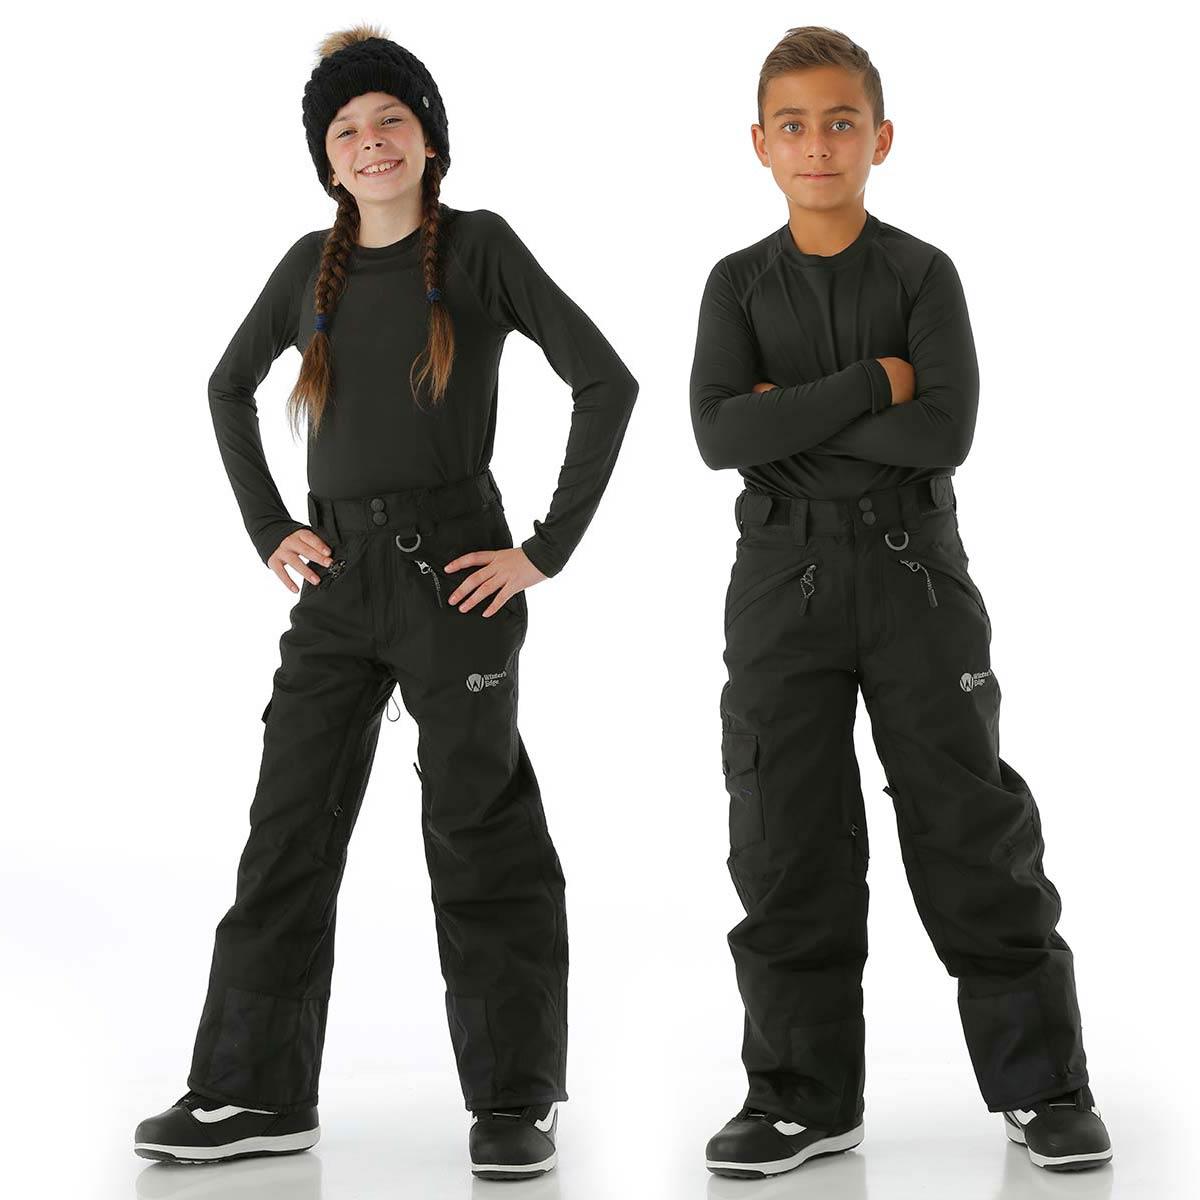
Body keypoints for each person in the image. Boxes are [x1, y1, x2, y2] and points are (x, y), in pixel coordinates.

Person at [133, 25, 638, 1180]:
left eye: (390, 121)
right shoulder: (306, 268)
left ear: (429, 140)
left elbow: (606, 381)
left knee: (478, 827)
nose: (371, 143)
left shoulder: (481, 249)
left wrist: (542, 551)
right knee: (287, 828)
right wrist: (271, 527)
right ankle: (252, 1092)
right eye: (347, 130)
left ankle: (514, 1100)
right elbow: (226, 387)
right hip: (336, 584)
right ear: (327, 158)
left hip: (455, 574)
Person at [689, 26, 1111, 1179]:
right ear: (760, 145)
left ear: (881, 138)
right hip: (780, 587)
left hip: (915, 575)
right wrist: (875, 382)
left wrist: (790, 416)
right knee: (784, 833)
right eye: (793, 125)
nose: (817, 145)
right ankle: (800, 1100)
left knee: (969, 823)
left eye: (841, 122)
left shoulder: (923, 273)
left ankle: (1046, 1087)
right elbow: (720, 433)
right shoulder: (737, 284)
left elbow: (944, 433)